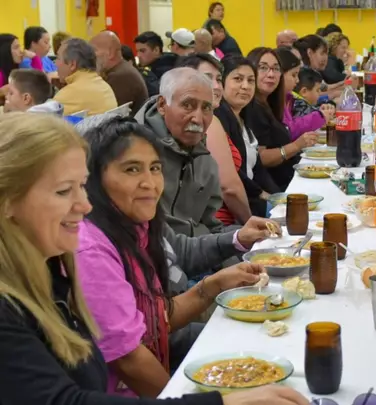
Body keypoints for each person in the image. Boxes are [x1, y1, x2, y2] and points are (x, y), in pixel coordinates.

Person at [0, 113, 310, 405]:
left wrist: (213, 284)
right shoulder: (82, 254)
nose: (84, 205)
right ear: (7, 201)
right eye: (63, 191)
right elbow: (71, 396)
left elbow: (150, 320)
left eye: (81, 186)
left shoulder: (52, 269)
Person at [76, 117, 276, 397]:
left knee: (264, 348)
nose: (150, 183)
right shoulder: (91, 250)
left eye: (155, 168)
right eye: (132, 169)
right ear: (94, 179)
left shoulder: (138, 224)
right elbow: (129, 360)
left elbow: (154, 320)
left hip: (158, 358)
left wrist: (215, 285)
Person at [134, 68, 227, 237]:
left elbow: (212, 226)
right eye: (187, 105)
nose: (198, 119)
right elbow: (156, 238)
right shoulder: (135, 154)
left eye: (206, 108)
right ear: (162, 105)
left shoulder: (204, 160)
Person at [177, 53, 255, 224]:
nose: (216, 86)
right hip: (216, 223)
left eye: (219, 79)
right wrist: (250, 223)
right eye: (207, 78)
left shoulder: (202, 118)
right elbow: (228, 188)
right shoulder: (209, 123)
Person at [212, 56, 281, 220]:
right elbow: (234, 173)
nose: (245, 86)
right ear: (222, 83)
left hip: (254, 198)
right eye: (238, 79)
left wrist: (277, 196)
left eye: (250, 81)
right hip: (237, 206)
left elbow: (258, 168)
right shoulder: (218, 118)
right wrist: (262, 195)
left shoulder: (245, 116)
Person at [244, 47, 316, 191]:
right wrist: (296, 145)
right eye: (263, 68)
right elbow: (260, 158)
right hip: (276, 190)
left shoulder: (269, 104)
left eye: (276, 69)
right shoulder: (253, 108)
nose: (271, 74)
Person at [91, 31, 149, 117]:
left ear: (110, 53)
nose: (91, 56)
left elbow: (107, 116)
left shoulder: (120, 77)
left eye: (94, 50)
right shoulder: (122, 71)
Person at [54, 38, 118, 115]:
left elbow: (44, 121)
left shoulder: (65, 97)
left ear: (72, 64)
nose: (55, 63)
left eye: (58, 58)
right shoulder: (106, 87)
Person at [278, 47, 325, 140]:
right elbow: (289, 132)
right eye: (294, 75)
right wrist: (320, 116)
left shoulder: (286, 97)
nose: (297, 80)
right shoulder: (282, 100)